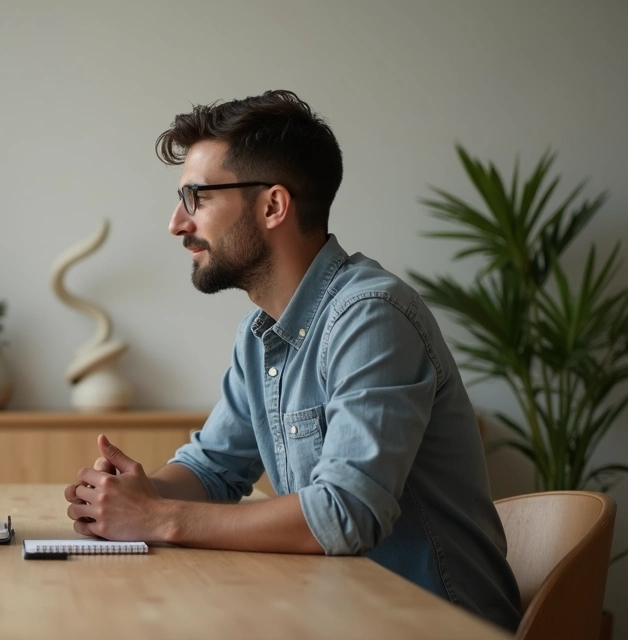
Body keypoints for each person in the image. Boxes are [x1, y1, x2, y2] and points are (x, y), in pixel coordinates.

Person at [63, 90, 520, 631]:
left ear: (273, 206)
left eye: (196, 198)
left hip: (429, 624)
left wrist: (158, 517)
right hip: (336, 614)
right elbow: (213, 467)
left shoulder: (371, 316)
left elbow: (345, 514)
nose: (177, 224)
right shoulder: (259, 337)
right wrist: (129, 498)